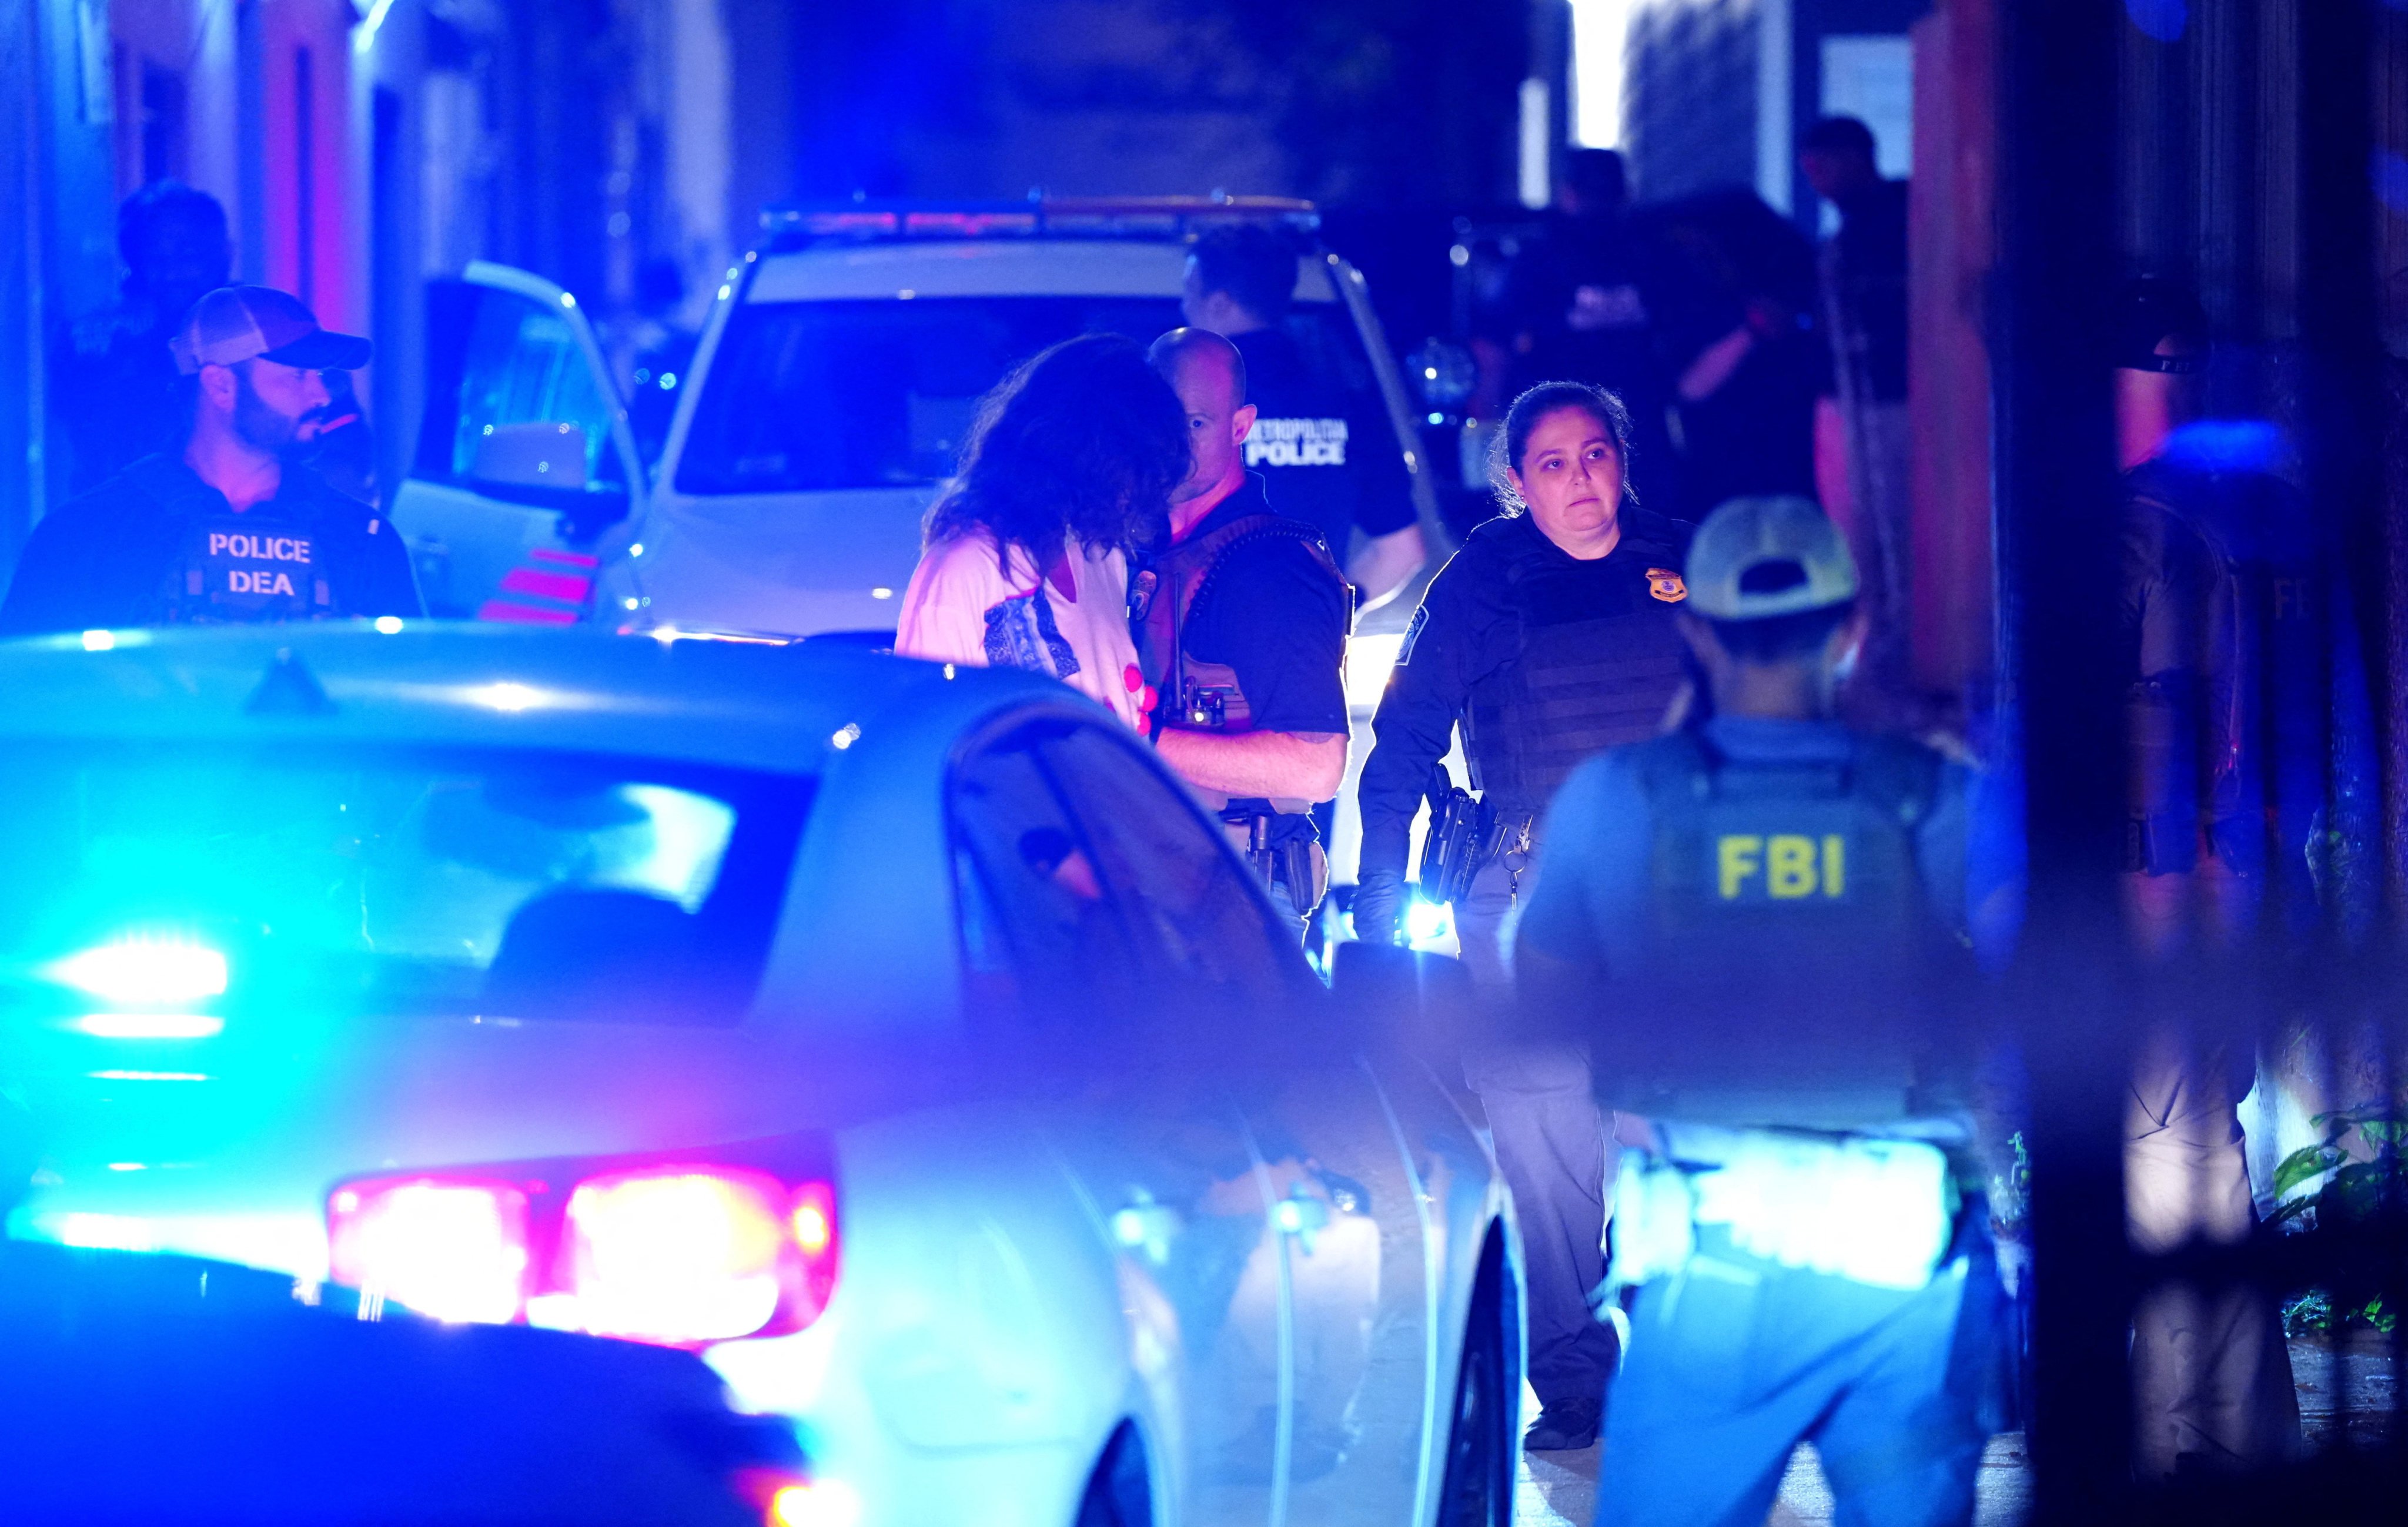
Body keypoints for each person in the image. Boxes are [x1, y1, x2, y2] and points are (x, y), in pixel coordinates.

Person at [1515, 495, 2005, 1523]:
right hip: (1902, 1250)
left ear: (1693, 631)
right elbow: (2038, 980)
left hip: (1712, 1251)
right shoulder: (1928, 792)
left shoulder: (1620, 795)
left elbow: (1546, 1001)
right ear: (1853, 627)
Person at [1351, 380, 1693, 1451]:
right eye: (1553, 464)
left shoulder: (1684, 565)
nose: (1583, 482)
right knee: (1549, 1152)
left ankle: (1683, 1364)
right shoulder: (1482, 585)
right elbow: (1402, 745)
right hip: (1528, 896)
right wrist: (1375, 893)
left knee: (1669, 1139)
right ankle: (1574, 1378)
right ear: (1514, 483)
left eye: (1597, 454)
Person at [2112, 275, 2303, 1479]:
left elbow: (2156, 709)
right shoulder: (2257, 506)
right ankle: (2233, 1441)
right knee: (2195, 1149)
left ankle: (2194, 1447)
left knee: (2170, 1154)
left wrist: (2153, 862)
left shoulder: (2146, 523)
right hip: (2232, 862)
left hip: (2175, 871)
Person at [1, 286, 420, 635]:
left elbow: (411, 703)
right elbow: (25, 698)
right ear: (220, 386)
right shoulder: (88, 535)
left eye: (322, 376)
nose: (322, 395)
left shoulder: (362, 539)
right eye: (298, 375)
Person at [1135, 327, 1352, 930]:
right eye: (1161, 423)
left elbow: (1315, 768)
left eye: (1197, 424)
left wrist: (1138, 744)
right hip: (1152, 880)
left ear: (1241, 425)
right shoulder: (1138, 550)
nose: (1174, 446)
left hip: (1238, 897)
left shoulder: (1269, 570)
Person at [894, 333, 1186, 732]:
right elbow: (921, 738)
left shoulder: (1101, 555)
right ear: (1083, 457)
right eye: (1130, 469)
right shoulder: (964, 569)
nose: (1133, 492)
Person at [1181, 225, 1426, 608]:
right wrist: (1327, 616)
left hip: (1198, 652)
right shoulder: (1348, 397)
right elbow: (1403, 550)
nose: (1184, 308)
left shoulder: (1181, 399)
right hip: (1311, 660)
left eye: (1190, 294)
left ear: (1219, 304)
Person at [1488, 149, 1677, 510]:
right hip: (1598, 426)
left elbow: (1495, 346)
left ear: (1567, 193)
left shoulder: (1651, 257)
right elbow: (1496, 342)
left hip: (1616, 429)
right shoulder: (1542, 260)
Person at [1800, 116, 1914, 704]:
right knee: (1857, 534)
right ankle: (1874, 646)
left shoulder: (1904, 218)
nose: (1816, 180)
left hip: (1898, 403)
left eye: (1823, 164)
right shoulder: (1837, 243)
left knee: (1896, 528)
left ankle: (1900, 648)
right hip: (1846, 404)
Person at [50, 181, 235, 498]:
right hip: (117, 520)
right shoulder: (99, 338)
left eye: (187, 255)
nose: (172, 273)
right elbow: (77, 429)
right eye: (155, 259)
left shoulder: (259, 332)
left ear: (224, 254)